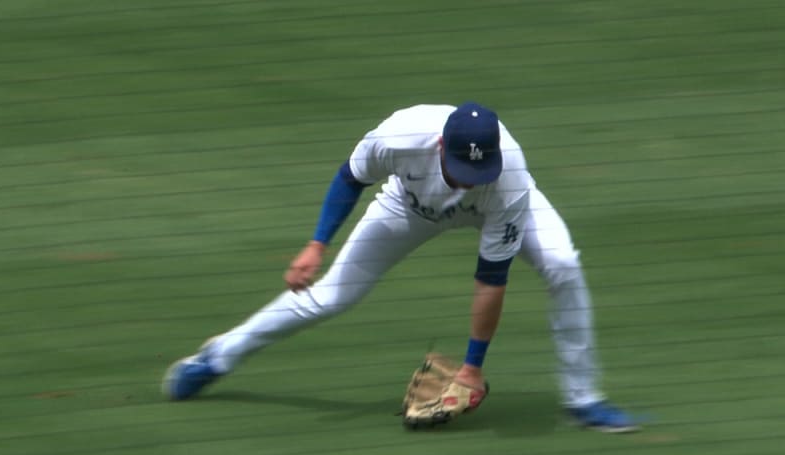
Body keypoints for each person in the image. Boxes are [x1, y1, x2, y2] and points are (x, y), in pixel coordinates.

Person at [162, 102, 638, 433]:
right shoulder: (401, 135)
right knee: (331, 296)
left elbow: (491, 278)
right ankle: (217, 357)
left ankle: (583, 399)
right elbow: (350, 178)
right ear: (440, 147)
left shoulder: (507, 178)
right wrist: (316, 244)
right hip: (407, 209)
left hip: (500, 214)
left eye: (479, 173)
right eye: (462, 171)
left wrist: (473, 368)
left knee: (562, 264)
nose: (470, 182)